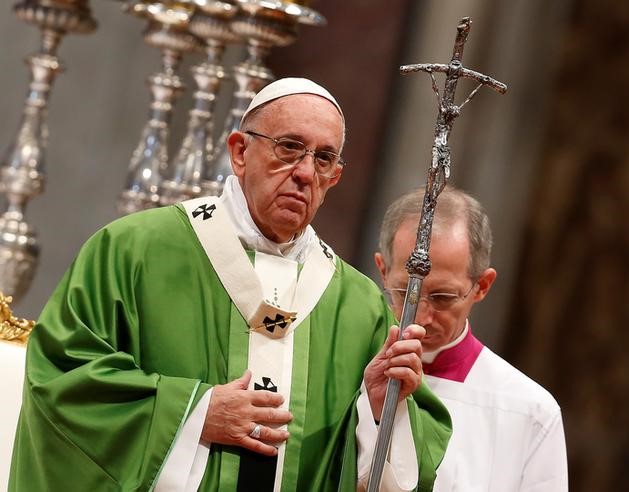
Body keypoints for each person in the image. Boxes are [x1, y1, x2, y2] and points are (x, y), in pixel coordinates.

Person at [10, 78, 450, 491]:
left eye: (323, 158)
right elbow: (62, 382)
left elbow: (390, 472)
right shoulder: (134, 251)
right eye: (289, 147)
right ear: (239, 152)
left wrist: (376, 409)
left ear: (335, 177)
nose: (303, 172)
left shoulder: (358, 304)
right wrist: (194, 414)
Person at [374, 186, 568, 491]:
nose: (421, 318)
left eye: (443, 297)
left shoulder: (530, 412)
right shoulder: (345, 367)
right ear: (382, 271)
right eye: (405, 292)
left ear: (482, 286)